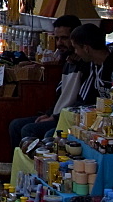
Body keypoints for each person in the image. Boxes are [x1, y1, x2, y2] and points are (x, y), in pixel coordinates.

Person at [8, 15, 83, 147]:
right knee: (15, 125)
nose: (59, 43)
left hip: (69, 118)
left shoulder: (84, 65)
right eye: (57, 38)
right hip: (56, 114)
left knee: (29, 130)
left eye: (64, 38)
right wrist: (49, 114)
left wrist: (54, 117)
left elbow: (80, 102)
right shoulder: (67, 61)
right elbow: (60, 96)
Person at [69, 23, 113, 107]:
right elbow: (85, 98)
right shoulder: (94, 64)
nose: (75, 52)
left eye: (76, 48)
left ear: (86, 48)